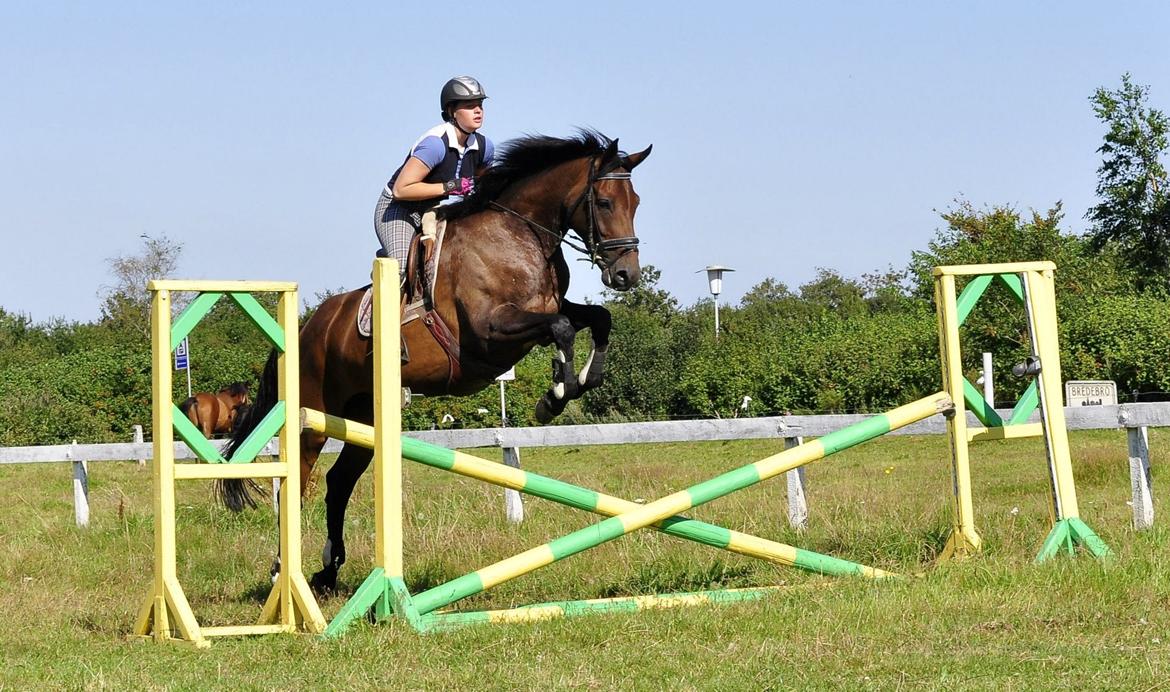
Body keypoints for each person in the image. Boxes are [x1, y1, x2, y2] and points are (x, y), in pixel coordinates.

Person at [374, 76, 495, 282]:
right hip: (399, 210)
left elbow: (483, 189)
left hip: (437, 212)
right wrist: (450, 187)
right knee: (402, 269)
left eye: (480, 105)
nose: (478, 110)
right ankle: (379, 309)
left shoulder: (484, 148)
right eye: (470, 105)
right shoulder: (435, 145)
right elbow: (402, 190)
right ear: (451, 112)